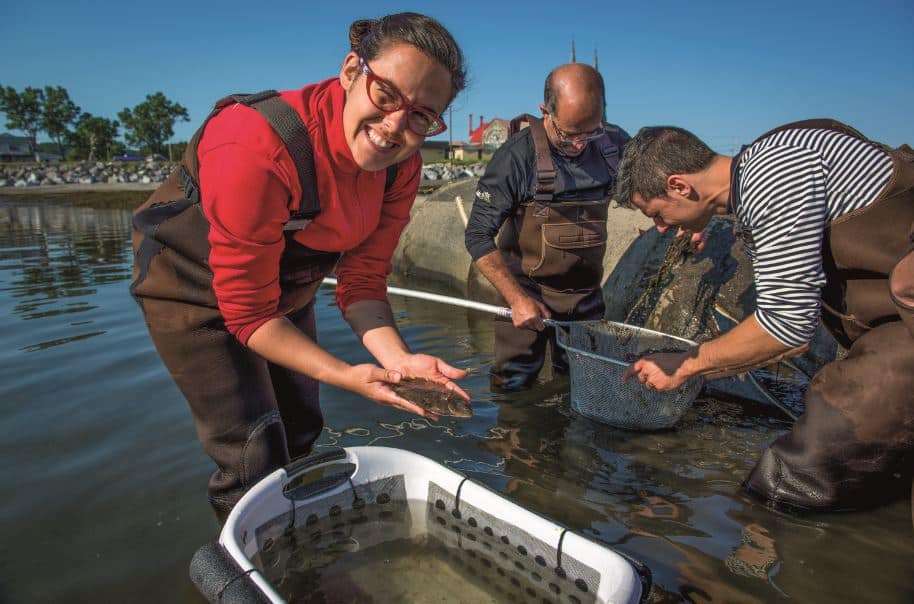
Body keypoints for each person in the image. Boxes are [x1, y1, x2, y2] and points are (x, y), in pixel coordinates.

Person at [130, 12, 469, 521]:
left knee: (302, 426)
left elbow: (362, 283)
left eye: (421, 115)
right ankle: (249, 557)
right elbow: (248, 313)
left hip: (284, 291)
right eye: (385, 94)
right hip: (190, 288)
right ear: (351, 71)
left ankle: (306, 540)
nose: (395, 125)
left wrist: (397, 361)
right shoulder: (255, 142)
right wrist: (347, 374)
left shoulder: (401, 166)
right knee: (254, 451)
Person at [615, 121, 914, 513]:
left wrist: (686, 365)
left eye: (656, 213)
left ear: (680, 186)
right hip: (892, 322)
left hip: (902, 319)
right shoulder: (756, 178)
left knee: (794, 475)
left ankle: (753, 542)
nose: (660, 228)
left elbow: (787, 327)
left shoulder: (775, 174)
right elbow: (795, 332)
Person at [464, 63, 630, 390]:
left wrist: (687, 221)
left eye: (591, 132)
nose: (581, 145)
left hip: (586, 300)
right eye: (570, 135)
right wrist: (516, 299)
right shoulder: (516, 157)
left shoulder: (615, 145)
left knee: (584, 384)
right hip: (527, 296)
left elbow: (655, 187)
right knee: (512, 385)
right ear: (546, 112)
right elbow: (477, 235)